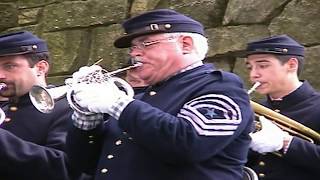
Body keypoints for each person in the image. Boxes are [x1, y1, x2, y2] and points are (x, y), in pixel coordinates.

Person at [66, 9, 254, 180]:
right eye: (133, 48)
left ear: (185, 44)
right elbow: (88, 164)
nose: (135, 54)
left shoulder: (221, 86)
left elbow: (189, 145)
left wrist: (115, 102)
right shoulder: (140, 97)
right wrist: (86, 117)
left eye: (145, 44)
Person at [0, 31, 75, 180]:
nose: (0, 75)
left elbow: (64, 167)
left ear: (41, 68)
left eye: (9, 66)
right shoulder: (6, 108)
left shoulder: (68, 108)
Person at [244, 34, 320, 179]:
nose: (253, 74)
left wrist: (286, 143)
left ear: (292, 65)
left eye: (263, 65)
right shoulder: (253, 111)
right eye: (250, 67)